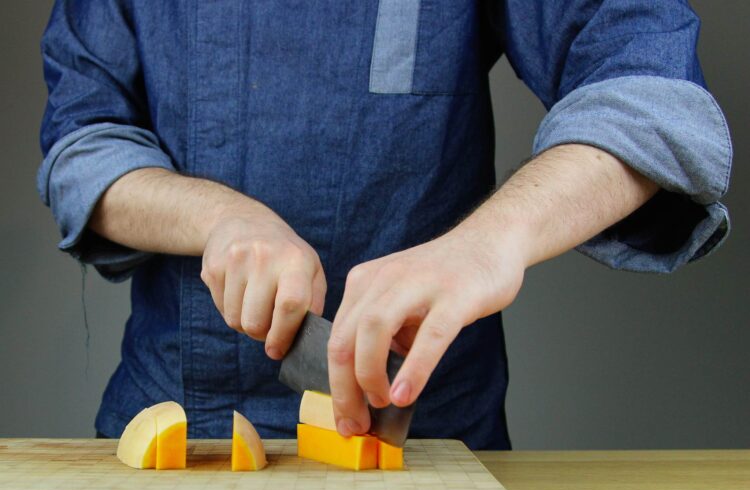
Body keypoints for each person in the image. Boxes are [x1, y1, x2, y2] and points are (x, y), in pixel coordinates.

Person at [37, 1, 731, 450]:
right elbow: (82, 141)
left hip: (425, 441)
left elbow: (654, 95)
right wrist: (214, 216)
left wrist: (490, 242)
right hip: (175, 431)